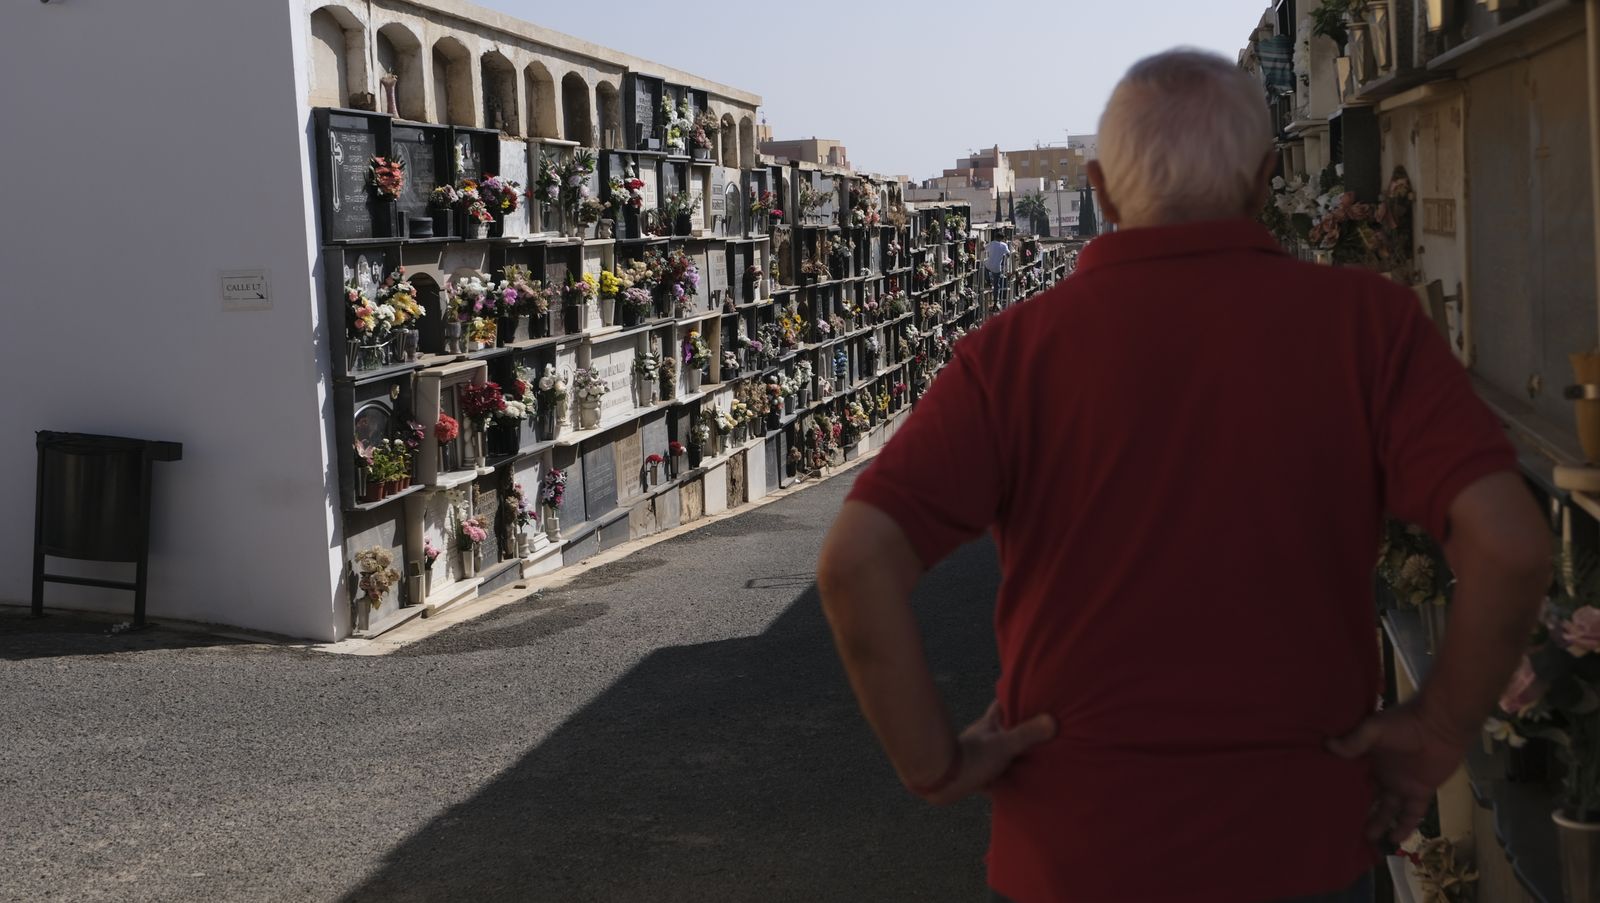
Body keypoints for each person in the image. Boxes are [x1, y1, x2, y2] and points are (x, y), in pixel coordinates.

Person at [815, 49, 1548, 903]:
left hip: (1072, 849)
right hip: (1301, 840)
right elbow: (1510, 544)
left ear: (1097, 187)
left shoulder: (1011, 354)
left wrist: (936, 761)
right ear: (1268, 177)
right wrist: (1436, 728)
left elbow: (855, 562)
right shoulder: (1368, 327)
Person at [984, 232, 1011, 304]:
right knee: (996, 285)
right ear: (1002, 239)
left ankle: (988, 281)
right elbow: (1008, 253)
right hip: (997, 267)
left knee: (984, 266)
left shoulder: (992, 243)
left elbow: (984, 249)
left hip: (989, 265)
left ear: (996, 237)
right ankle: (996, 300)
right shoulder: (1004, 245)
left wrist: (982, 244)